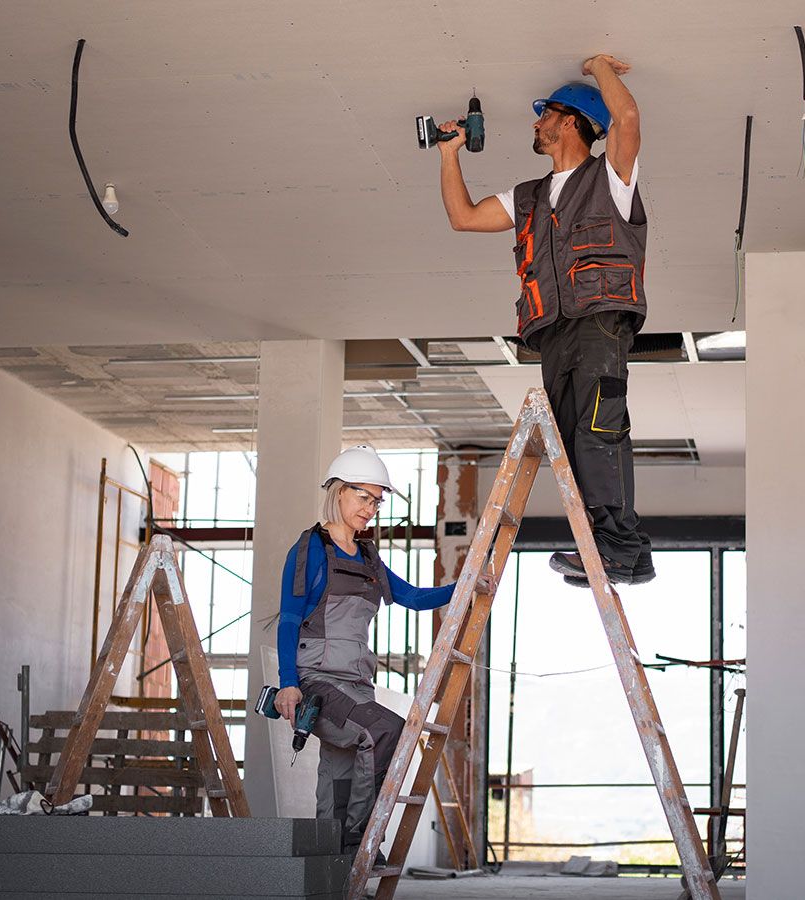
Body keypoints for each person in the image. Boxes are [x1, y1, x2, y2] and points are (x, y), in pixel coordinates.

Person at [435, 53, 654, 587]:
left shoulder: (612, 176)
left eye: (545, 114)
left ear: (572, 122)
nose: (536, 123)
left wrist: (600, 68)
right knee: (571, 444)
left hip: (601, 320)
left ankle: (618, 547)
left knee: (598, 430)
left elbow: (626, 121)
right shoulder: (528, 197)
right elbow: (464, 218)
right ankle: (622, 550)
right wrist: (449, 155)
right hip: (553, 331)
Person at [274, 445, 493, 856]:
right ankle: (362, 839)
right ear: (339, 492)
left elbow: (411, 596)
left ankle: (334, 864)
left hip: (357, 684)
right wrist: (289, 683)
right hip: (318, 680)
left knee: (338, 777)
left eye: (377, 500)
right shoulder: (310, 551)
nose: (371, 507)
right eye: (363, 496)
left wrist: (465, 588)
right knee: (387, 731)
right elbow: (289, 619)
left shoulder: (369, 557)